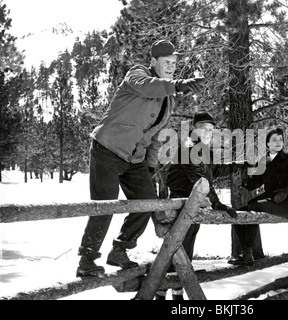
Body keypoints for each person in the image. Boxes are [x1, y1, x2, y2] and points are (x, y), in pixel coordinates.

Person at [76, 39, 206, 277]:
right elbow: (150, 86)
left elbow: (156, 137)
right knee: (105, 205)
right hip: (108, 147)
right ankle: (87, 259)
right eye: (166, 62)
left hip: (135, 158)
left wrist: (149, 166)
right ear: (154, 61)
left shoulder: (168, 98)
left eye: (174, 63)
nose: (171, 66)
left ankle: (120, 249)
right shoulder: (136, 75)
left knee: (147, 202)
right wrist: (178, 84)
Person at [154, 111, 237, 300]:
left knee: (184, 249)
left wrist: (240, 164)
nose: (208, 132)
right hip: (181, 203)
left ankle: (176, 292)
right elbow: (198, 176)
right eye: (203, 128)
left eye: (211, 129)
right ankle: (159, 292)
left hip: (193, 203)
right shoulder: (188, 145)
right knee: (176, 249)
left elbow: (213, 170)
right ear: (194, 128)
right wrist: (217, 203)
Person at [228, 128, 288, 266]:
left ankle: (247, 254)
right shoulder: (264, 161)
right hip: (269, 200)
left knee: (253, 205)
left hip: (285, 204)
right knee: (237, 215)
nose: (278, 142)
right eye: (274, 140)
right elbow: (253, 184)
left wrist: (287, 190)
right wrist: (245, 172)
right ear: (267, 143)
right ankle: (245, 252)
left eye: (280, 139)